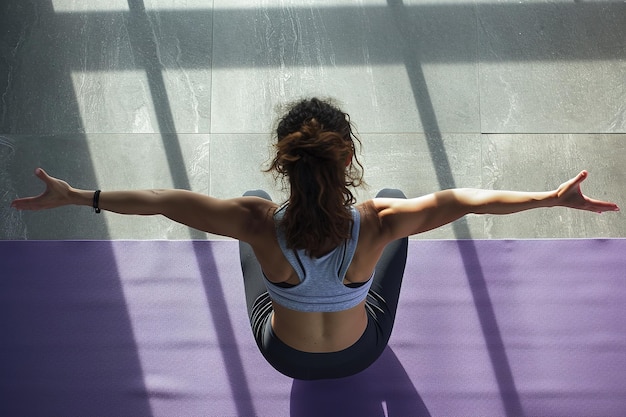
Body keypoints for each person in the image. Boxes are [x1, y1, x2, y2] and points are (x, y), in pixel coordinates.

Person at [11, 98, 619, 380]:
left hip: (282, 358)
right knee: (407, 207)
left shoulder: (259, 224)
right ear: (347, 157)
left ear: (284, 163)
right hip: (364, 352)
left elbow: (164, 204)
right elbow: (460, 202)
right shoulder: (377, 221)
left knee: (244, 208)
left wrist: (79, 196)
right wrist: (547, 197)